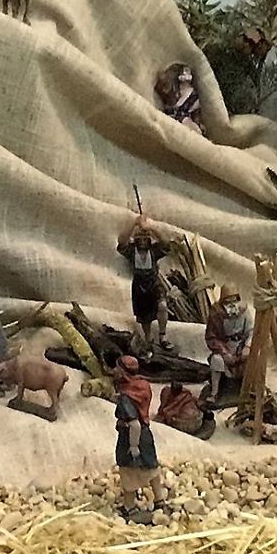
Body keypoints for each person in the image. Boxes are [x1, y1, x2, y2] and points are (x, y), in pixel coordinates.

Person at [112, 355, 161, 518]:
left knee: (128, 471)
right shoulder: (143, 386)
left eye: (117, 368)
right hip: (146, 435)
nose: (114, 370)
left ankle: (129, 507)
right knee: (151, 466)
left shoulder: (126, 398)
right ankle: (159, 499)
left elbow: (134, 424)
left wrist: (133, 446)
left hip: (131, 436)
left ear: (123, 372)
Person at [117, 215, 173, 352]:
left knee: (162, 306)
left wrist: (151, 228)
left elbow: (166, 243)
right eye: (139, 238)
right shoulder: (132, 252)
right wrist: (134, 223)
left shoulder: (154, 251)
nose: (142, 241)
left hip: (154, 283)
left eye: (145, 238)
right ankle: (149, 339)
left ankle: (163, 335)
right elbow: (121, 241)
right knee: (144, 318)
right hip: (139, 286)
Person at [202, 288, 253, 406]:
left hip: (241, 346)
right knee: (216, 361)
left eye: (234, 301)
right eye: (228, 302)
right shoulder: (216, 315)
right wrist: (224, 353)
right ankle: (215, 393)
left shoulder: (245, 311)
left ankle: (249, 389)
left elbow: (251, 331)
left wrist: (247, 346)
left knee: (253, 359)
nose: (232, 305)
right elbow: (212, 337)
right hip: (225, 347)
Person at [155, 64, 204, 134]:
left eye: (187, 81)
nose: (184, 82)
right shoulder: (175, 90)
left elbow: (195, 112)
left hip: (184, 119)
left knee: (194, 130)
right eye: (183, 80)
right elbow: (168, 101)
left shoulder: (193, 95)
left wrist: (198, 123)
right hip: (170, 117)